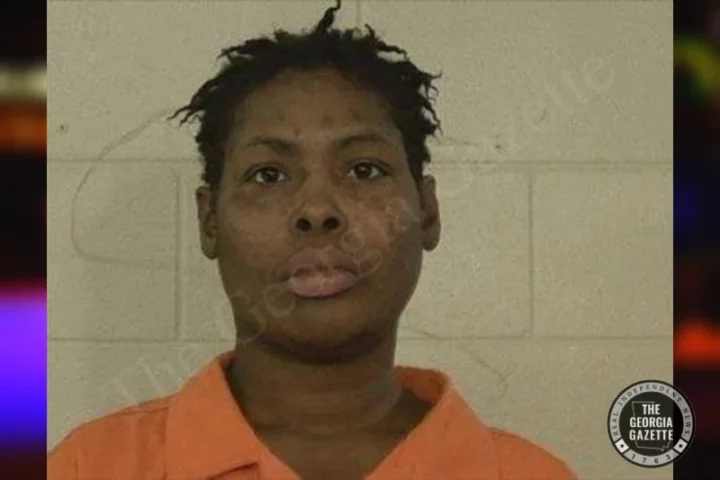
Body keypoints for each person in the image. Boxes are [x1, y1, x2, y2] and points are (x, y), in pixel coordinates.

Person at [48, 2, 576, 479]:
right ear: (209, 221)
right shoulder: (88, 467)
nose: (317, 210)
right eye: (268, 175)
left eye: (364, 169)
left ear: (427, 210)